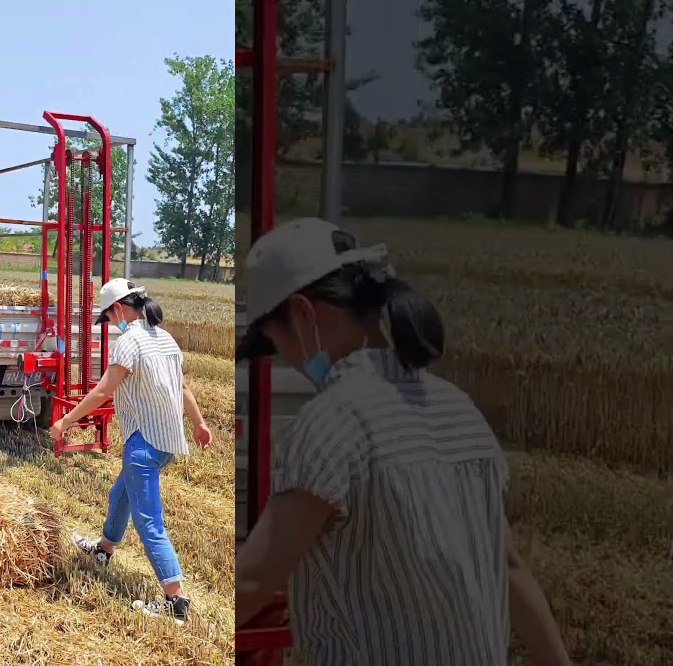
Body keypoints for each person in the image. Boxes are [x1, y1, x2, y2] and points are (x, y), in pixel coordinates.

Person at [234, 217, 571, 665]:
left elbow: (254, 580)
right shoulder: (459, 409)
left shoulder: (333, 420)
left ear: (302, 314)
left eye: (279, 343)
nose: (290, 363)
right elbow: (508, 567)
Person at [50, 277, 214, 626]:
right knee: (120, 494)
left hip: (144, 444)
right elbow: (183, 388)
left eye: (109, 317)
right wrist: (199, 424)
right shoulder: (165, 338)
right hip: (167, 441)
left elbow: (102, 391)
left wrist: (65, 420)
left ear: (119, 309)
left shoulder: (129, 342)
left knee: (149, 522)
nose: (110, 323)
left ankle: (176, 602)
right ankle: (104, 550)